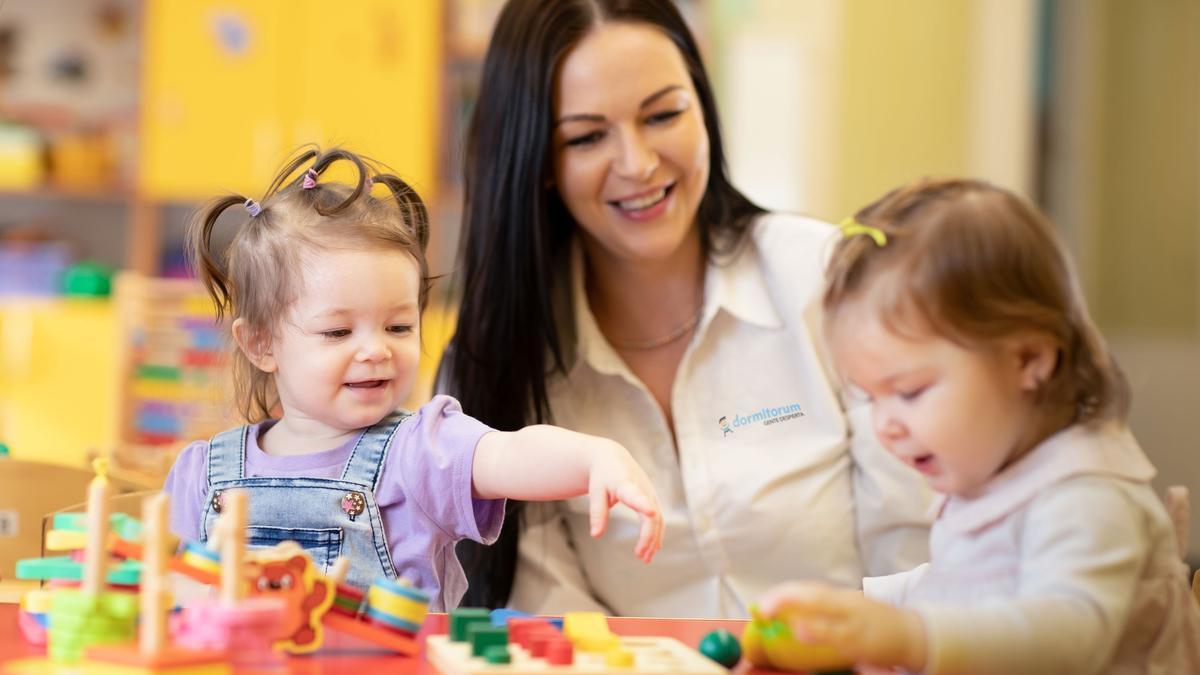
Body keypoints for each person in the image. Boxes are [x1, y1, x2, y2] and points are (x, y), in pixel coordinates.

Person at [439, 0, 932, 617]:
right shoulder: (497, 363)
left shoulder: (830, 282)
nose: (639, 164)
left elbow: (917, 552)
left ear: (704, 108)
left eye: (663, 113)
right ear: (537, 161)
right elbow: (550, 617)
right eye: (588, 136)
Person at [161, 147, 664, 611]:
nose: (376, 349)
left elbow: (511, 453)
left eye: (399, 326)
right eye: (338, 331)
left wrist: (596, 457)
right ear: (261, 344)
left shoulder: (421, 450)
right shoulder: (203, 474)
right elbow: (172, 592)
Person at [759, 178, 1200, 673]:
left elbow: (1067, 637)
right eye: (869, 399)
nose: (885, 426)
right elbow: (962, 584)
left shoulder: (1085, 496)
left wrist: (907, 637)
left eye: (908, 392)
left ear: (1028, 358)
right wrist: (853, 607)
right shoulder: (994, 476)